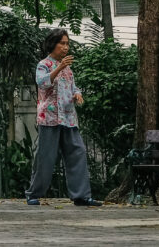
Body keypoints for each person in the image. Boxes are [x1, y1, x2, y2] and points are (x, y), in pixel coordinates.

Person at [25, 28, 102, 207]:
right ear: (53, 44)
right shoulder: (43, 64)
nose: (66, 47)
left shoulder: (68, 69)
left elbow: (73, 87)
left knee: (78, 153)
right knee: (45, 157)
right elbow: (42, 83)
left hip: (68, 118)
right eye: (62, 43)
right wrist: (59, 67)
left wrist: (77, 94)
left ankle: (81, 196)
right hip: (49, 118)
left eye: (67, 44)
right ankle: (33, 194)